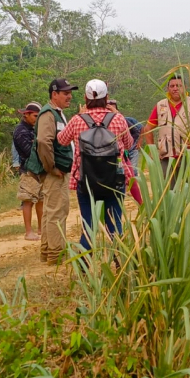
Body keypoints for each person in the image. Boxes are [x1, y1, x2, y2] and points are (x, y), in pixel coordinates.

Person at [59, 80, 133, 250]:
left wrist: (81, 115)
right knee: (115, 226)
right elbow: (129, 144)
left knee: (88, 227)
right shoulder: (118, 119)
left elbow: (62, 140)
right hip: (114, 181)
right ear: (107, 97)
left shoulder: (77, 120)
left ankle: (85, 268)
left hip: (86, 181)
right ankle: (120, 263)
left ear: (85, 98)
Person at [25, 78, 77, 264]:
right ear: (54, 94)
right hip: (55, 173)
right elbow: (43, 142)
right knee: (57, 212)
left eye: (70, 92)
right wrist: (51, 167)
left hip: (57, 171)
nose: (69, 96)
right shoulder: (48, 114)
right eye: (65, 93)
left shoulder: (56, 113)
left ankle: (48, 252)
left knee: (51, 211)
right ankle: (56, 255)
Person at [138, 74, 190, 178]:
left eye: (178, 86)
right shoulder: (160, 105)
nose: (175, 89)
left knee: (189, 190)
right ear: (168, 88)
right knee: (167, 191)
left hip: (188, 157)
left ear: (185, 87)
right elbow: (148, 128)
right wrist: (152, 151)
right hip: (166, 158)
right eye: (172, 86)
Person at [13, 101, 44, 241]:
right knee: (28, 200)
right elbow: (28, 152)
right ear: (27, 115)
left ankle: (41, 228)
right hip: (28, 170)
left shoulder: (34, 129)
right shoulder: (20, 131)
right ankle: (28, 231)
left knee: (41, 200)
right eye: (36, 116)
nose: (37, 119)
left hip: (40, 170)